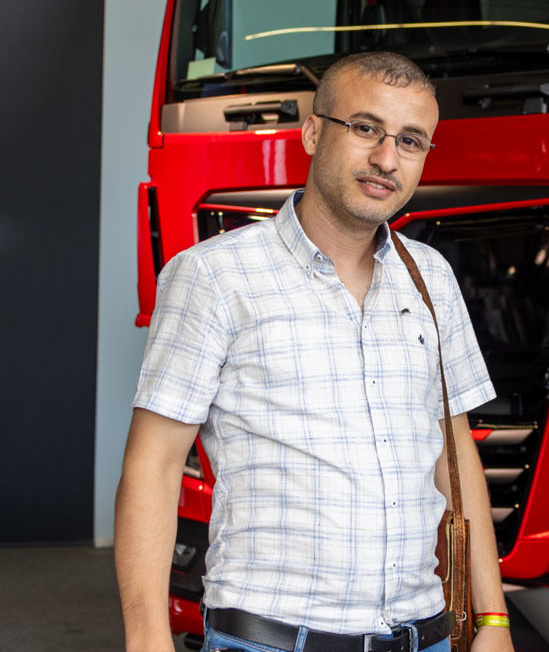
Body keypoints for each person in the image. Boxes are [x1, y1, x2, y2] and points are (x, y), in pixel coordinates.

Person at [115, 52, 514, 652]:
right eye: (364, 128)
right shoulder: (213, 276)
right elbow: (154, 466)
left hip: (422, 636)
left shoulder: (431, 278)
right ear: (310, 131)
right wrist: (147, 640)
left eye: (410, 141)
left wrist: (493, 620)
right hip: (273, 640)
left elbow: (454, 453)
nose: (386, 158)